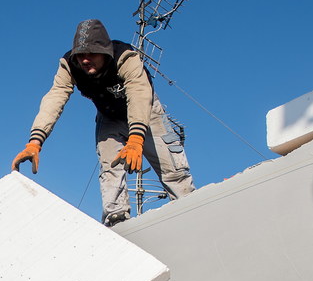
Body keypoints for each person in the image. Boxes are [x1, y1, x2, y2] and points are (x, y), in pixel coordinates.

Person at [11, 18, 194, 225]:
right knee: (110, 168)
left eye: (91, 54)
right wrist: (35, 141)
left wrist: (136, 139)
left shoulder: (125, 57)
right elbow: (56, 96)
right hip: (110, 117)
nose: (85, 60)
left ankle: (191, 210)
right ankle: (117, 221)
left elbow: (139, 92)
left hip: (146, 114)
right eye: (81, 55)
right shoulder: (70, 65)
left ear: (105, 53)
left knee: (174, 172)